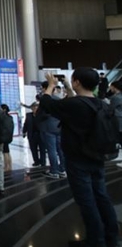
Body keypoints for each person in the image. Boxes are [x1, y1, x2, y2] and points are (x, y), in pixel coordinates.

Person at [40, 69, 119, 247]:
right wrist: (69, 88)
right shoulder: (101, 103)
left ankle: (96, 241)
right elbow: (76, 105)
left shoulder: (74, 105)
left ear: (77, 82)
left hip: (78, 159)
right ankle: (111, 237)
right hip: (97, 156)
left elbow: (46, 103)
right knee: (102, 197)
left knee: (86, 202)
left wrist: (51, 86)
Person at [36, 81, 66, 179]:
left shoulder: (44, 100)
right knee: (60, 149)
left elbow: (40, 114)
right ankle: (62, 169)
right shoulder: (58, 99)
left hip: (47, 127)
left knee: (51, 150)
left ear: (45, 88)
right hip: (58, 127)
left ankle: (54, 170)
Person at [22, 102, 45, 167]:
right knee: (33, 149)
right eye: (33, 107)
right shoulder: (29, 115)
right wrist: (24, 132)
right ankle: (36, 161)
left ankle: (43, 162)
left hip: (40, 134)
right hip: (32, 135)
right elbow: (26, 124)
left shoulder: (42, 115)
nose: (35, 108)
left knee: (42, 149)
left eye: (36, 107)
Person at [0, 104, 13, 172]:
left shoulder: (3, 117)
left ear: (4, 109)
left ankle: (6, 167)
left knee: (5, 152)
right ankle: (9, 166)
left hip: (4, 137)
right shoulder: (10, 117)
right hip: (9, 136)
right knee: (7, 152)